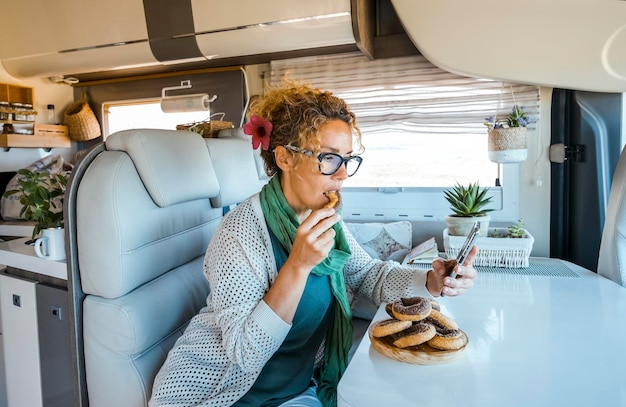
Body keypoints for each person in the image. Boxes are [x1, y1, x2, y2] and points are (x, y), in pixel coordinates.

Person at [149, 82, 477, 407]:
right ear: (284, 158)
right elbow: (245, 354)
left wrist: (430, 283)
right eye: (330, 159)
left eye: (348, 159)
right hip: (221, 395)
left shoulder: (321, 216)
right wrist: (298, 265)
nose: (343, 174)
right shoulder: (239, 233)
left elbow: (369, 277)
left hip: (300, 388)